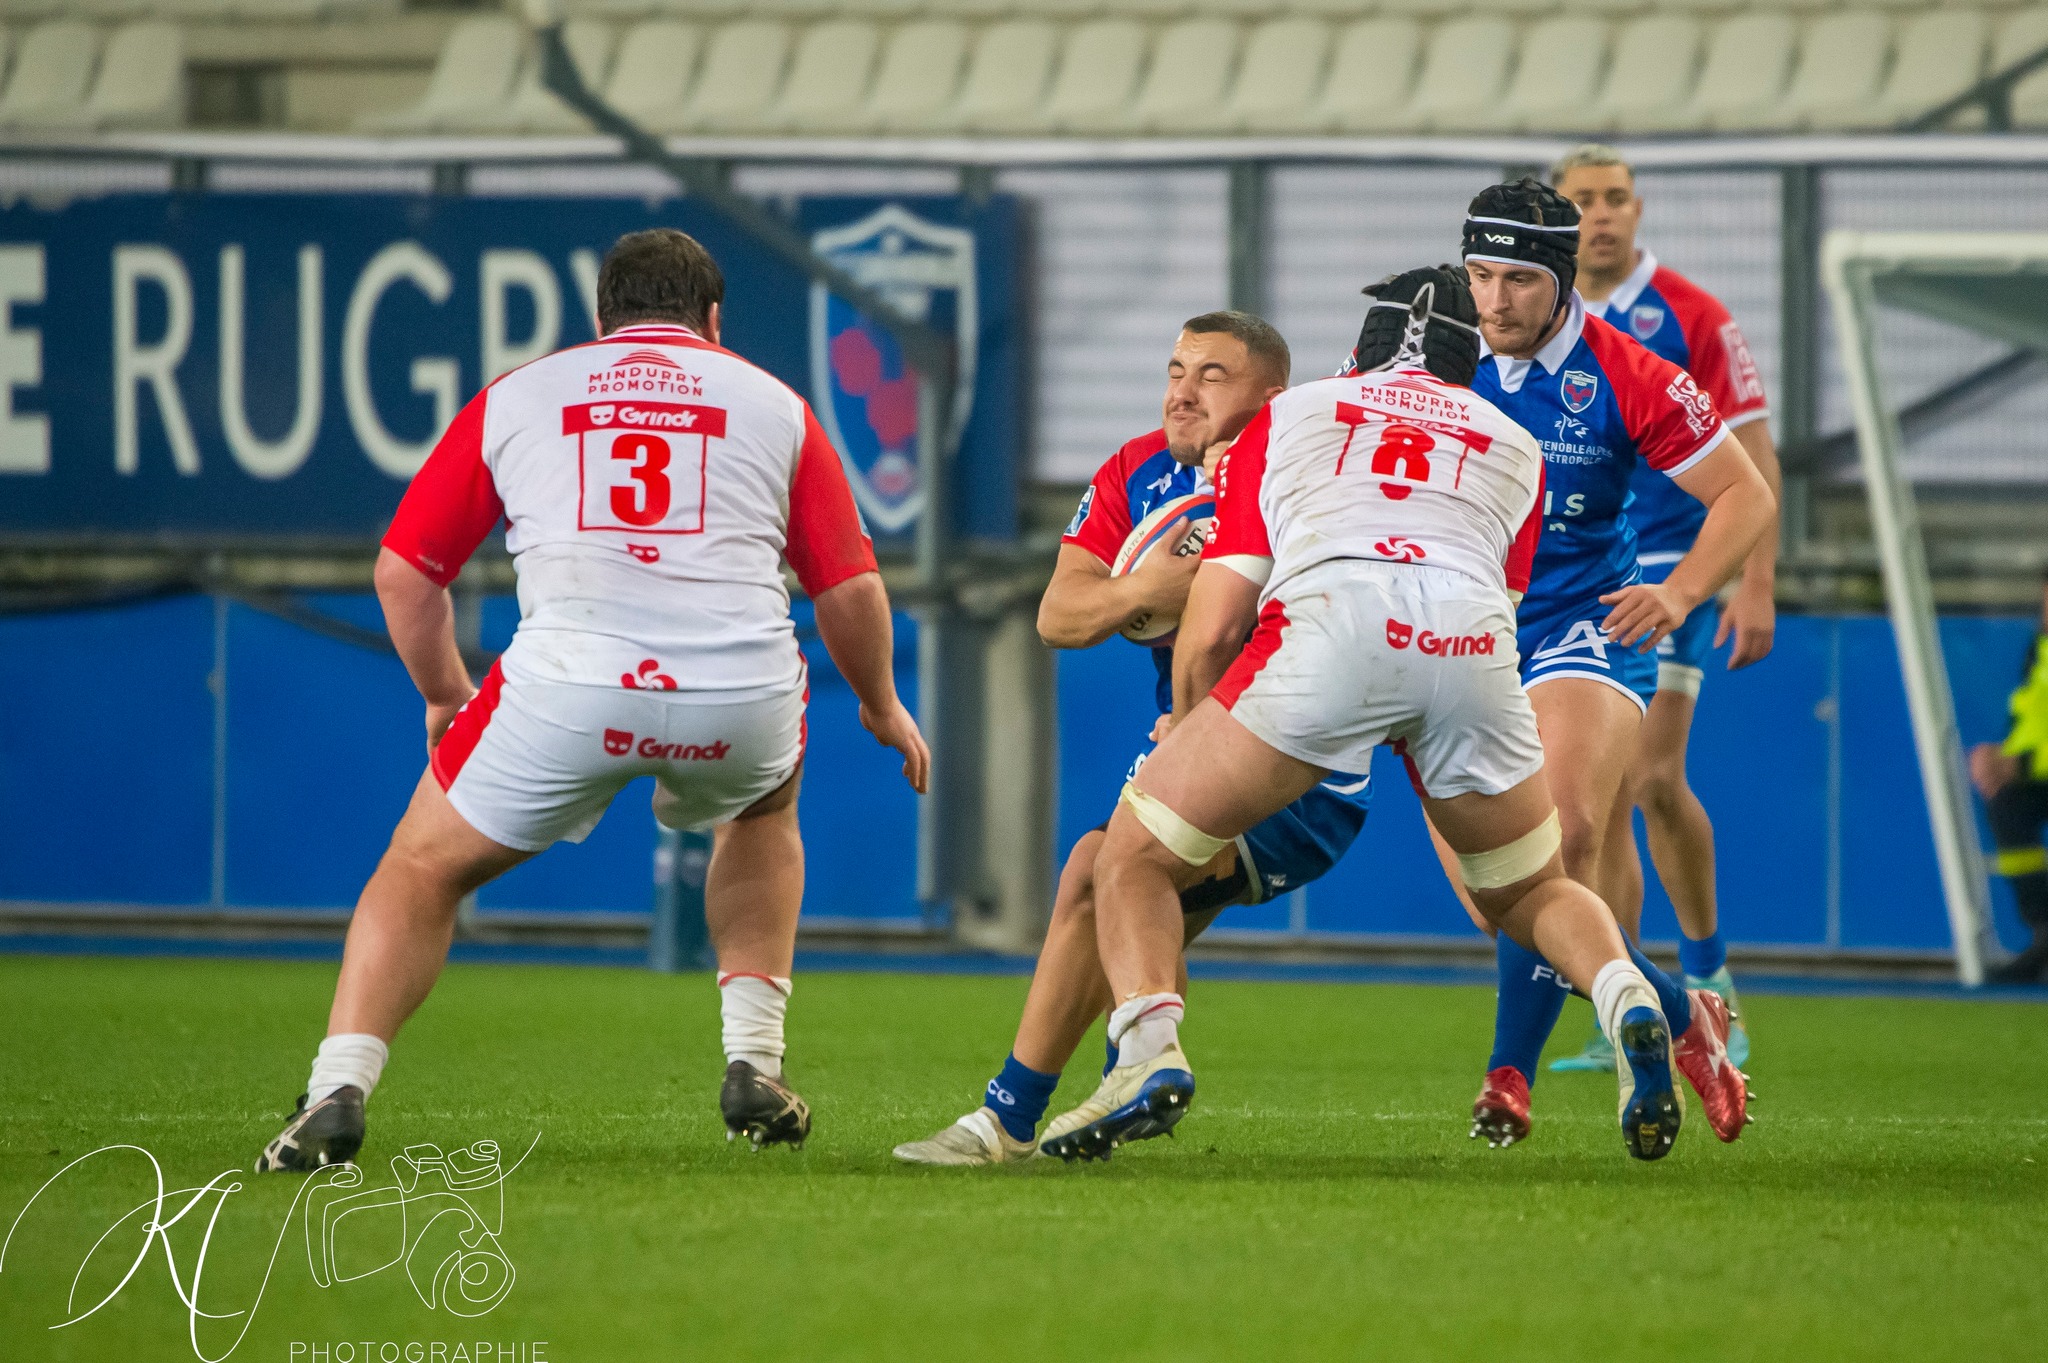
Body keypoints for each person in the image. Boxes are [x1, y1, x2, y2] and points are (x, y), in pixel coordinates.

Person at [257, 228, 929, 1172]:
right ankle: (754, 1064)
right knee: (763, 805)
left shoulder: (522, 394)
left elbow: (405, 573)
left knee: (420, 869)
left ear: (600, 318)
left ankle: (337, 1090)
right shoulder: (777, 404)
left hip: (566, 689)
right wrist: (882, 703)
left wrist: (447, 693)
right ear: (714, 319)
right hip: (736, 691)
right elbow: (850, 589)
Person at [1065, 265, 1693, 1165]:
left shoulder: (1290, 416)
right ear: (1466, 363)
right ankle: (1625, 991)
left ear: (1359, 353)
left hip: (1328, 636)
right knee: (1530, 887)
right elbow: (1503, 597)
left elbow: (1215, 619)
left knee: (1128, 855)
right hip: (1473, 651)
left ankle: (1147, 1054)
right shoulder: (1515, 440)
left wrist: (1192, 724)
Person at [892, 311, 1370, 1167]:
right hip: (1194, 733)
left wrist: (1233, 556)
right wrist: (1150, 586)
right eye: (1176, 369)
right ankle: (1120, 1084)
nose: (1182, 392)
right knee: (1124, 898)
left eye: (1212, 376)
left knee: (1102, 871)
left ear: (1274, 398)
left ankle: (1016, 1117)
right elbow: (1057, 615)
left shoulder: (1308, 470)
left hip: (1302, 758)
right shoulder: (1137, 468)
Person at [1454, 179, 1769, 1149]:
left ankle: (1507, 1078)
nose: (1492, 300)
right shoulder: (1432, 350)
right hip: (1455, 634)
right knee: (1502, 897)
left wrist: (1679, 595)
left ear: (1556, 278)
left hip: (1577, 628)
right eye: (1477, 275)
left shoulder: (1631, 369)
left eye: (1514, 279)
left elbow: (1743, 495)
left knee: (1572, 829)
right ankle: (1681, 1014)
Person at [1545, 143, 1782, 1072]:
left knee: (1645, 774)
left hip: (1675, 562)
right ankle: (1633, 989)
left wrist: (1752, 581)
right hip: (1573, 578)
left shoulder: (1692, 316)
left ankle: (1712, 985)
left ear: (1638, 211)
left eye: (1615, 200)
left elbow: (1756, 458)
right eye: (1584, 202)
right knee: (1599, 796)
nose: (1601, 216)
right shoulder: (1538, 314)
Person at [1972, 572, 2048, 985]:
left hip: (2039, 767)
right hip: (2040, 771)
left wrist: (2020, 763)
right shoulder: (2040, 648)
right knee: (2008, 803)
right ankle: (2044, 932)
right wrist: (1999, 759)